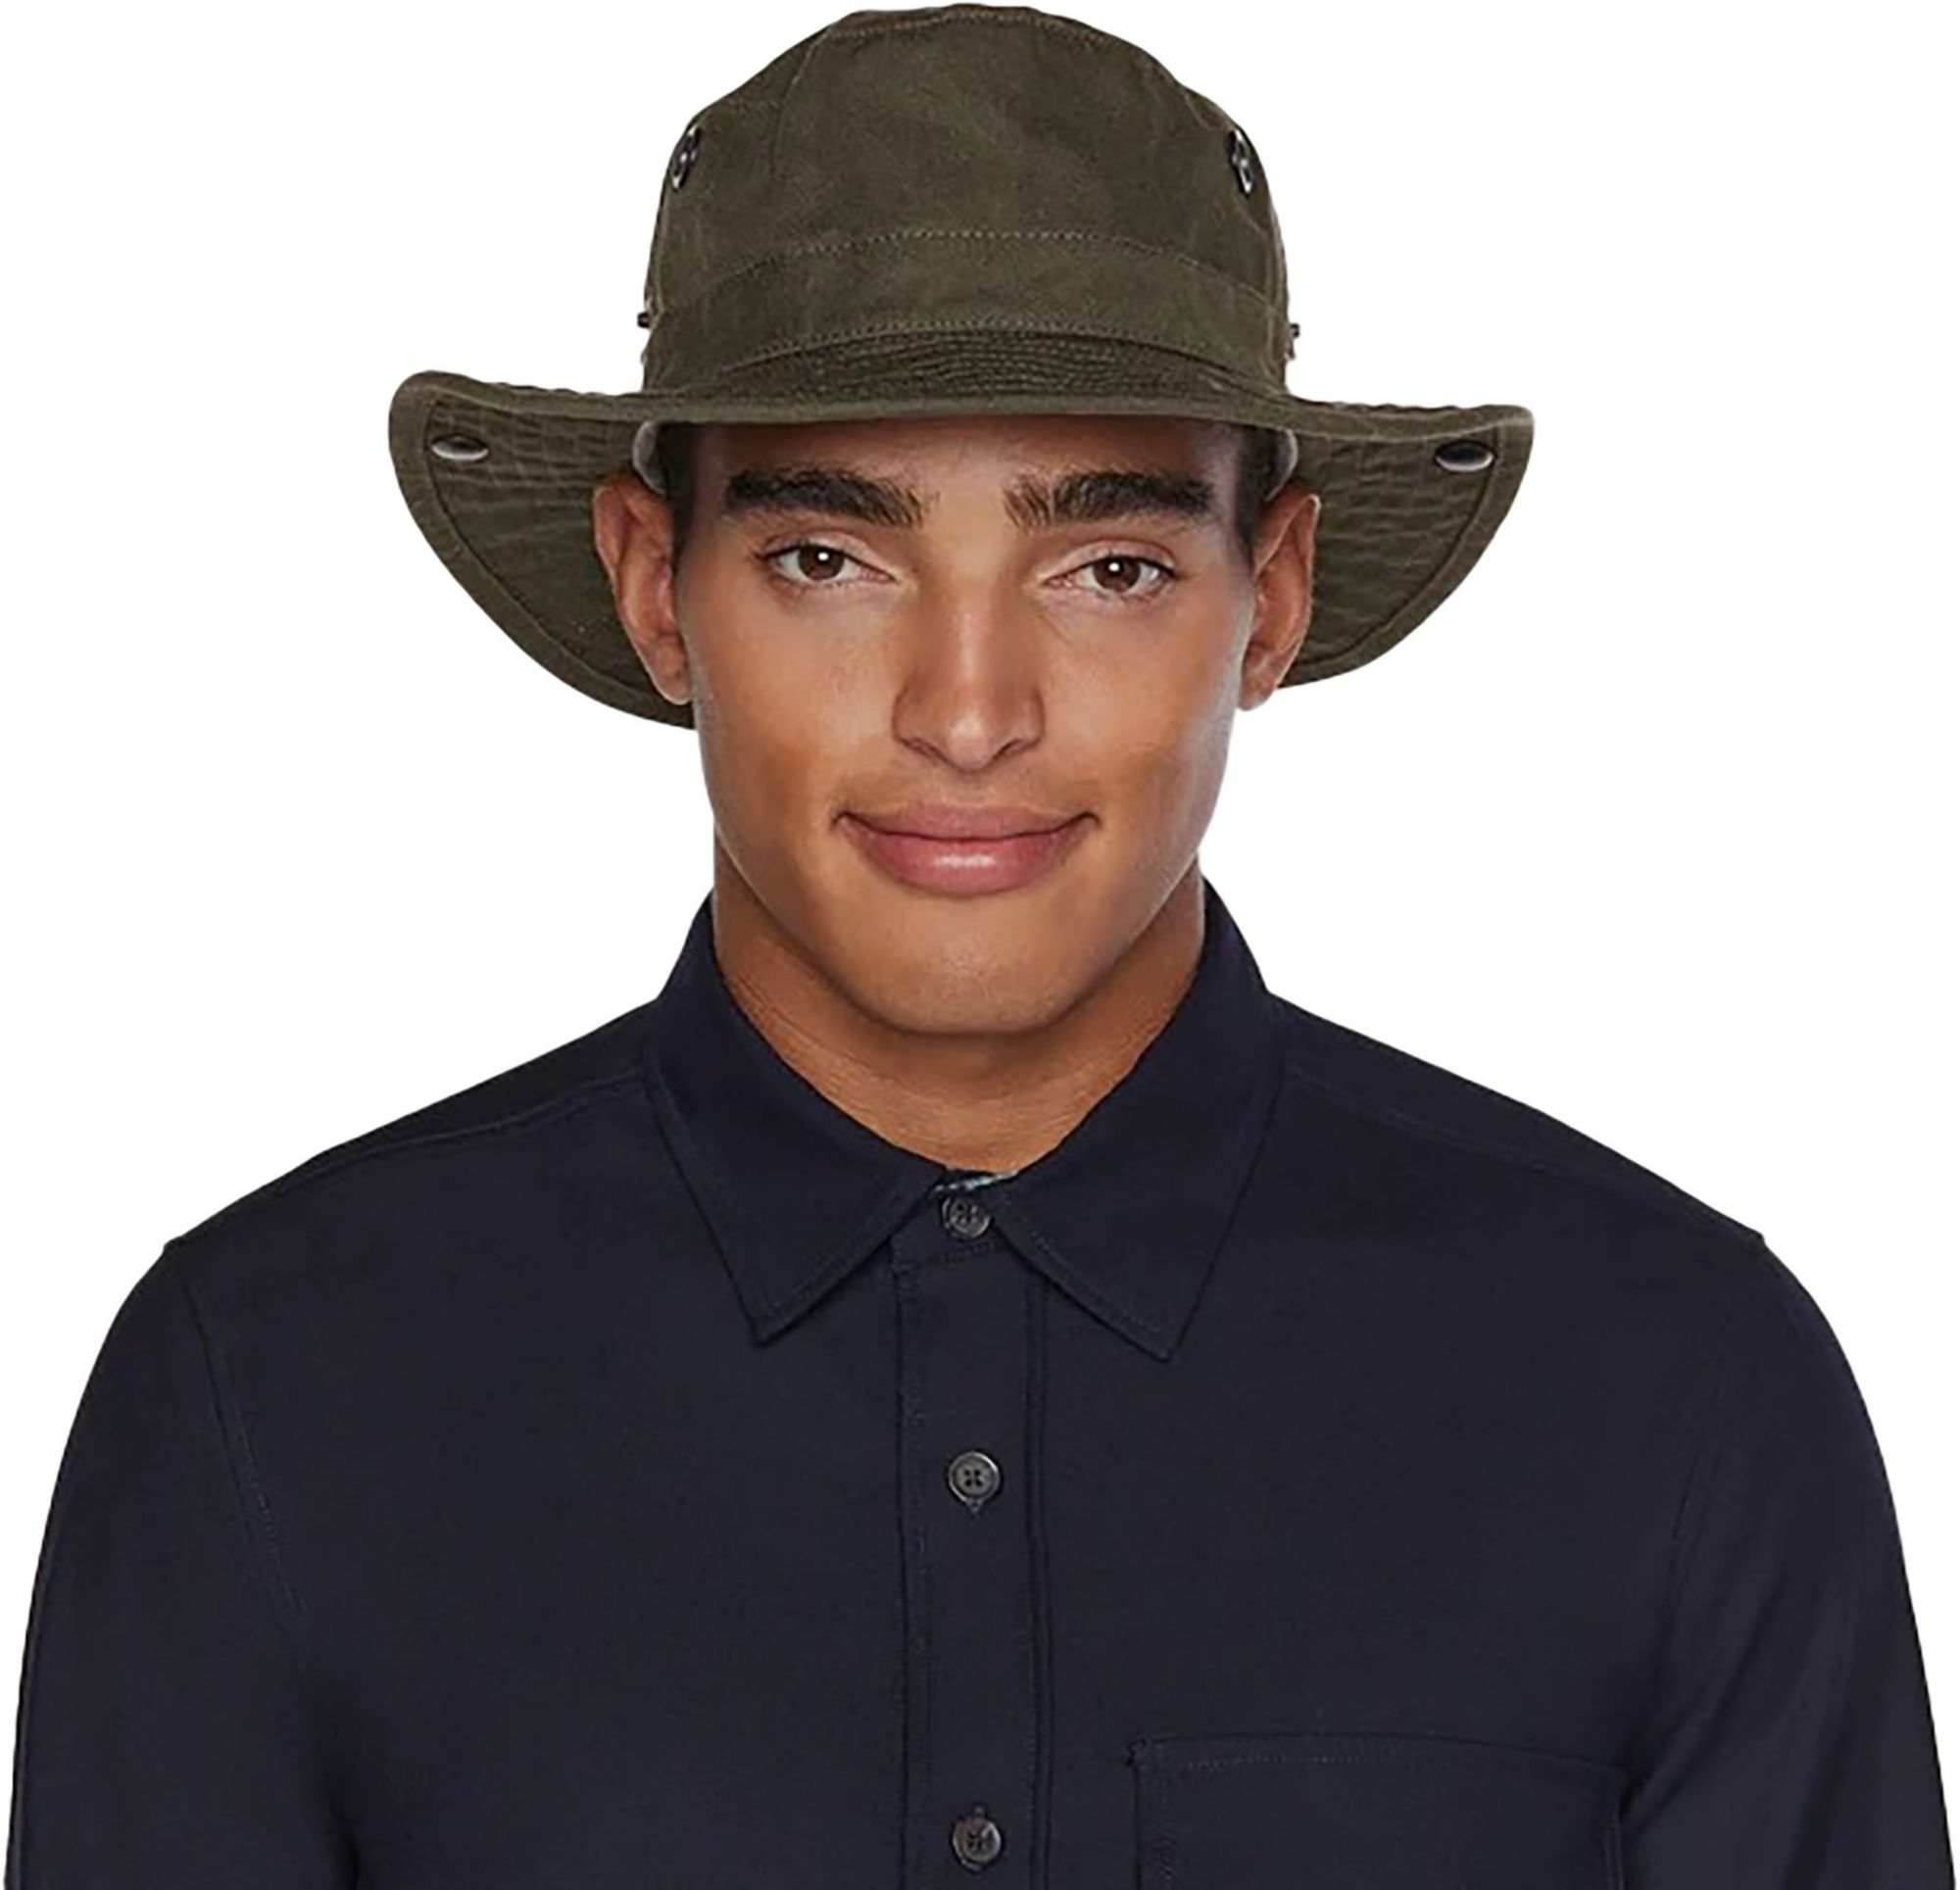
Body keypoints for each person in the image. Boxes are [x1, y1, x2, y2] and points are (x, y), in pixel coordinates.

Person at [7, 5, 1951, 1886]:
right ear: (656, 589)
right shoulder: (273, 1390)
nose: (964, 710)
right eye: (826, 557)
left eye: (1108, 566)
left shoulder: (1671, 1391)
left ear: (1268, 594)